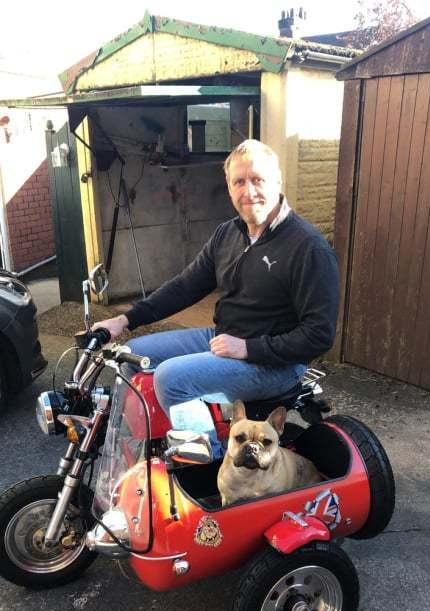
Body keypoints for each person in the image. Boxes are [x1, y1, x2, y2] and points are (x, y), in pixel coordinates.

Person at [93, 139, 339, 457]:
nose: (248, 191)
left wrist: (249, 348)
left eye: (258, 180)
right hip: (223, 338)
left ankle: (215, 464)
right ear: (229, 187)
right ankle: (155, 446)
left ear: (278, 182)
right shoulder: (228, 234)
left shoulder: (308, 247)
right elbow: (185, 286)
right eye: (239, 181)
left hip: (274, 363)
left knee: (171, 378)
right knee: (131, 355)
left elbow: (319, 335)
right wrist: (125, 319)